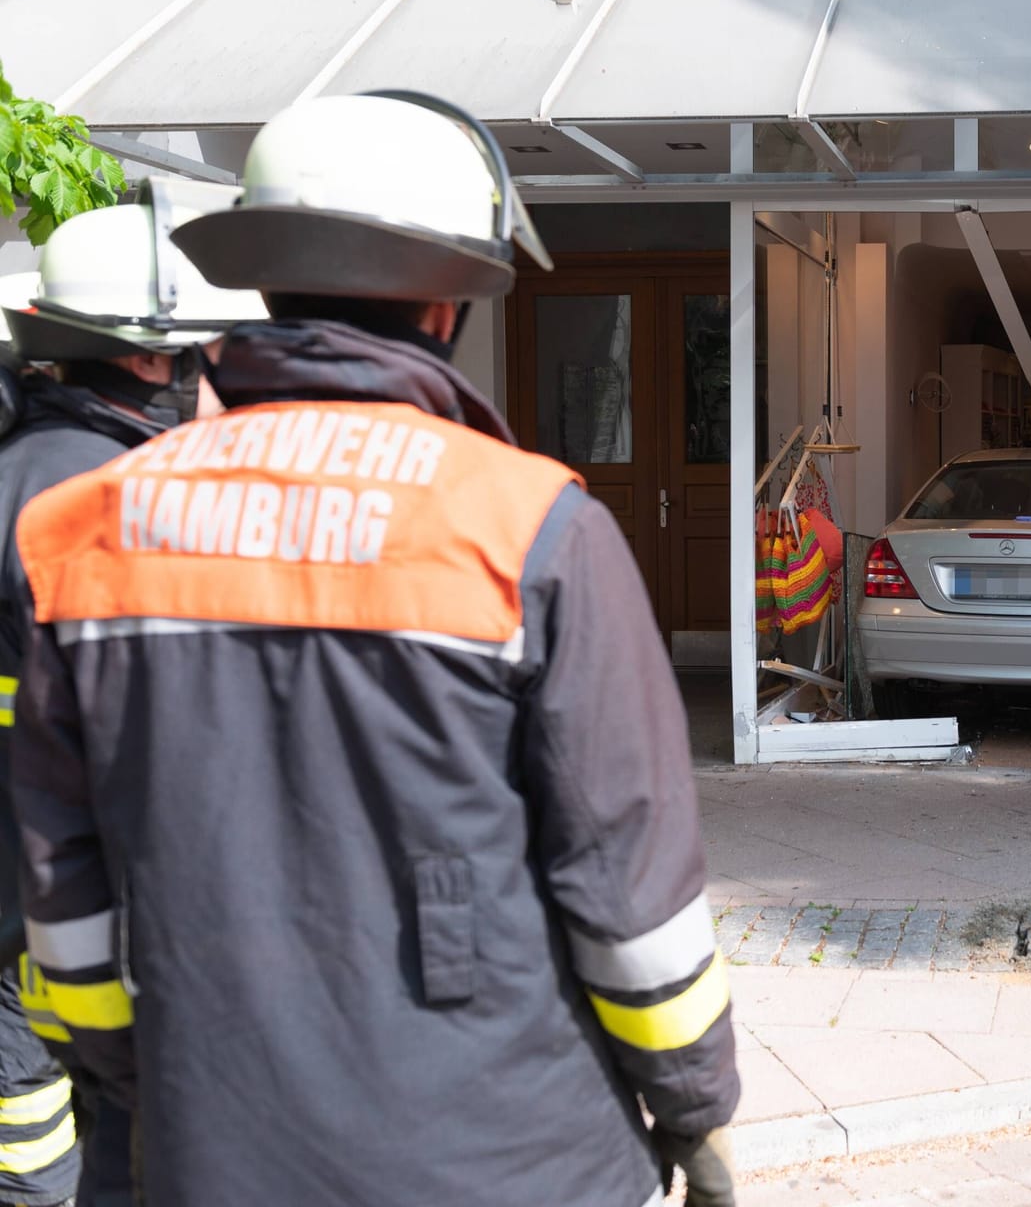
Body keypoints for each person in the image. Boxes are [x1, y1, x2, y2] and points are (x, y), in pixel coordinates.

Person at [8, 93, 740, 1206]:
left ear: (264, 285)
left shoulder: (85, 527)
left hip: (214, 1145)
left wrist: (145, 1081)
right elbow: (627, 885)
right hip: (514, 1151)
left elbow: (60, 880)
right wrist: (694, 1107)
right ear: (446, 308)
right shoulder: (532, 527)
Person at [0, 190, 262, 1207]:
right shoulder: (127, 509)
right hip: (94, 916)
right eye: (196, 357)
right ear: (154, 360)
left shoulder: (21, 474)